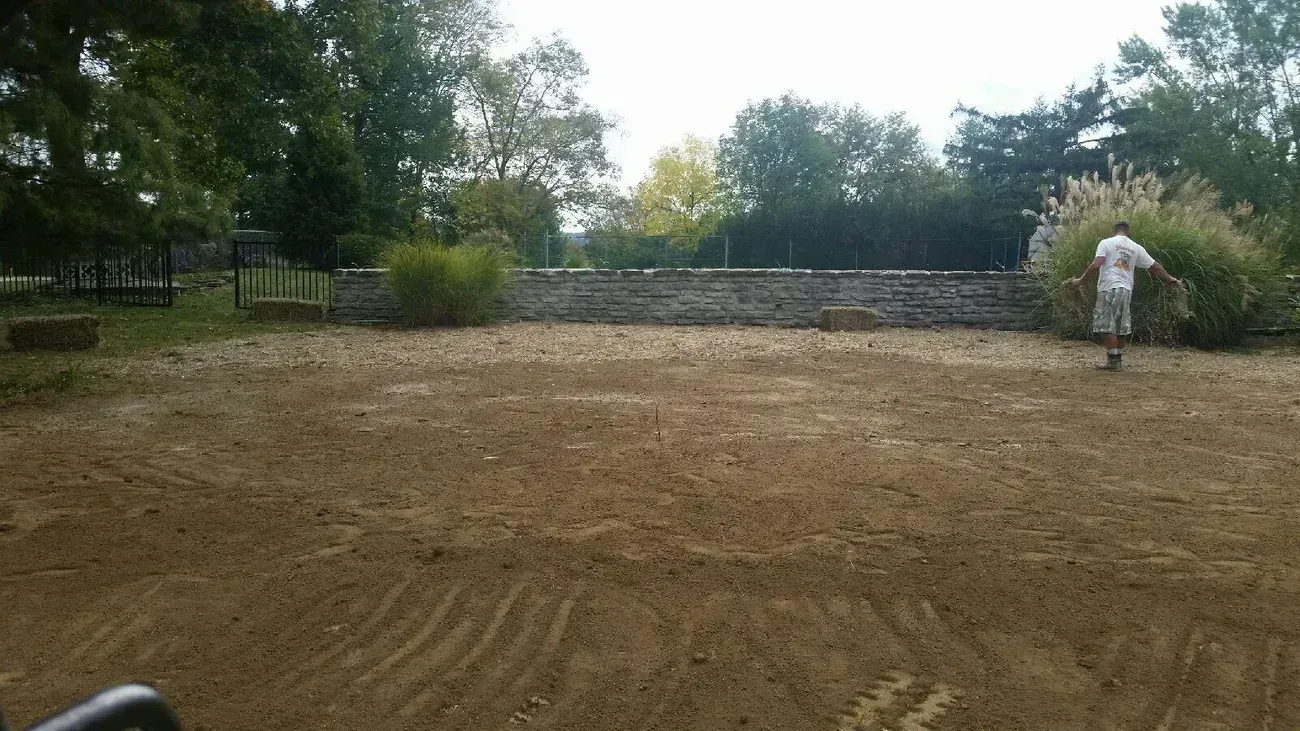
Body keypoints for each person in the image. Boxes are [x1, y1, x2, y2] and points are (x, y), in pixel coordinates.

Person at [1067, 221, 1181, 371]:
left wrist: (1080, 281)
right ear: (1128, 231)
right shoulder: (1135, 247)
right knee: (1121, 327)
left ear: (1114, 230)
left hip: (1109, 287)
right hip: (1126, 289)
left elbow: (1096, 264)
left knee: (1107, 326)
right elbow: (1156, 267)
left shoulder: (1106, 243)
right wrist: (1170, 278)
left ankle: (1113, 362)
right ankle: (1117, 360)